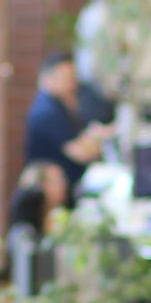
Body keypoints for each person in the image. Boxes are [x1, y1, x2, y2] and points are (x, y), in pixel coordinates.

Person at [23, 52, 112, 196]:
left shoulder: (60, 105)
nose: (73, 84)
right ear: (49, 79)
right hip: (53, 193)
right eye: (67, 78)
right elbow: (83, 153)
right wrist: (95, 137)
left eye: (73, 78)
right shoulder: (47, 112)